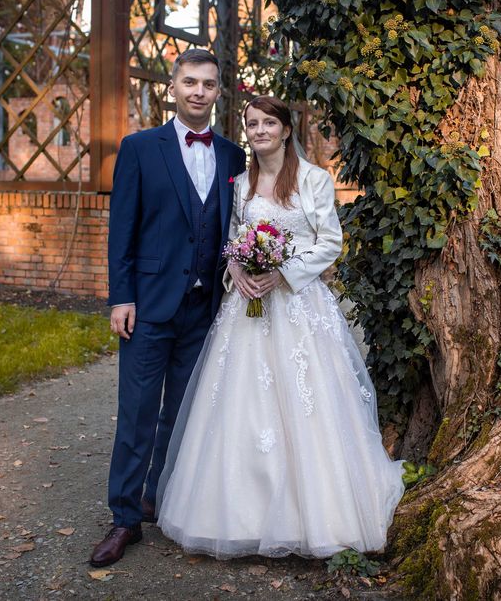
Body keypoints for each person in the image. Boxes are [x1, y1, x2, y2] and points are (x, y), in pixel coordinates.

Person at [156, 96, 404, 559]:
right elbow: (233, 238)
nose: (260, 130)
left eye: (269, 122)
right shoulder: (241, 182)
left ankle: (319, 518)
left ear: (286, 129)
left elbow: (330, 241)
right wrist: (241, 272)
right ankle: (236, 516)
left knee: (308, 408)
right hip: (248, 310)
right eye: (252, 123)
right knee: (241, 408)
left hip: (298, 307)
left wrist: (283, 271)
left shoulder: (312, 179)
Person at [91, 49, 246, 568]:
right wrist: (121, 296)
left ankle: (159, 497)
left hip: (205, 309)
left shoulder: (232, 156)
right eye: (189, 82)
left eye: (208, 84)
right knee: (136, 413)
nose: (199, 91)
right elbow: (123, 230)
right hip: (149, 307)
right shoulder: (139, 148)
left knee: (181, 414)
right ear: (172, 88)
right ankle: (123, 518)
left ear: (219, 92)